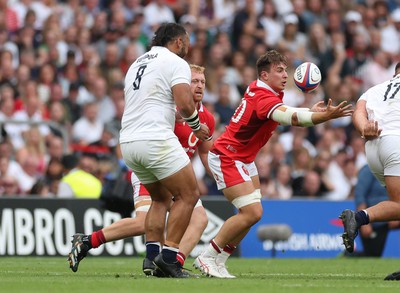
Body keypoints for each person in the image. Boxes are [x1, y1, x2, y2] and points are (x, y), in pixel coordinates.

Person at [194, 49, 353, 278]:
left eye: (285, 70)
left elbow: (288, 113)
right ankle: (207, 256)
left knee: (251, 213)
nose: (286, 75)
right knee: (252, 212)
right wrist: (322, 117)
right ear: (264, 75)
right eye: (279, 70)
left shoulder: (266, 91)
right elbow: (291, 118)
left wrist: (310, 111)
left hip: (244, 158)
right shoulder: (263, 96)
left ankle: (219, 261)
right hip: (227, 156)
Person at [67, 64, 215, 277]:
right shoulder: (168, 110)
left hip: (176, 176)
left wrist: (218, 176)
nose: (199, 85)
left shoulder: (207, 118)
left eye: (202, 81)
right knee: (142, 223)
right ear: (183, 83)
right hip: (153, 172)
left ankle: (169, 263)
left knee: (200, 218)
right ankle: (89, 241)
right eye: (193, 81)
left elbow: (205, 153)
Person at [120, 23, 209, 278]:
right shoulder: (175, 61)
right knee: (189, 195)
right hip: (155, 138)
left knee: (160, 199)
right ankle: (169, 258)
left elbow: (150, 102)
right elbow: (184, 101)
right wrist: (196, 126)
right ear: (178, 42)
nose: (188, 47)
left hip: (128, 142)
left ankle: (150, 258)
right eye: (187, 42)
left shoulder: (136, 63)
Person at [339, 62, 400, 280]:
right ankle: (359, 218)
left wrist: (365, 128)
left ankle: (360, 218)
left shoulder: (375, 89)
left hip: (373, 147)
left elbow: (359, 112)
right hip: (397, 143)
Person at [353, 164, 391, 257]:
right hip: (373, 220)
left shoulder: (393, 169)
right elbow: (360, 195)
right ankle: (348, 256)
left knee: (375, 254)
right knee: (373, 254)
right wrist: (364, 222)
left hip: (386, 218)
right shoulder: (369, 170)